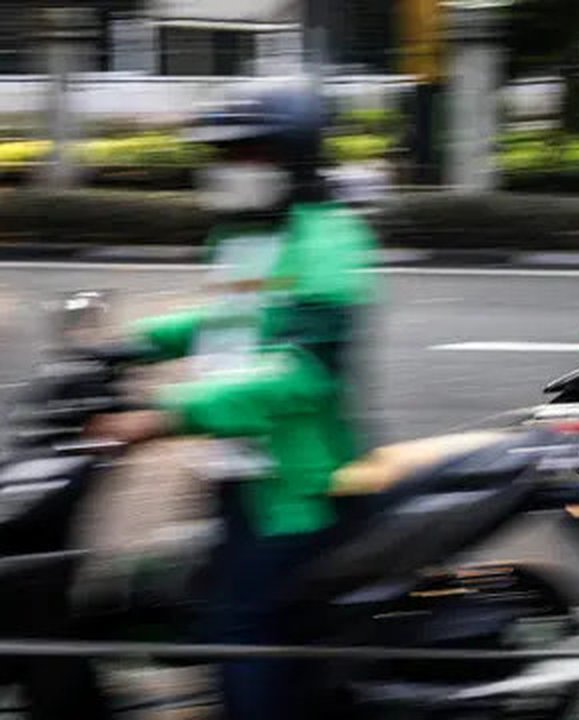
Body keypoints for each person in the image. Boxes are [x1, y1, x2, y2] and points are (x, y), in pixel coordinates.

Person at [85, 82, 377, 720]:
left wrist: (168, 413)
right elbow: (228, 322)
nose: (228, 168)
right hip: (238, 469)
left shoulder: (328, 243)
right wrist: (128, 345)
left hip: (296, 484)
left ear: (291, 157)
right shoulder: (243, 236)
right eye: (223, 155)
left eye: (245, 154)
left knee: (238, 626)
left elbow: (300, 374)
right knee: (195, 599)